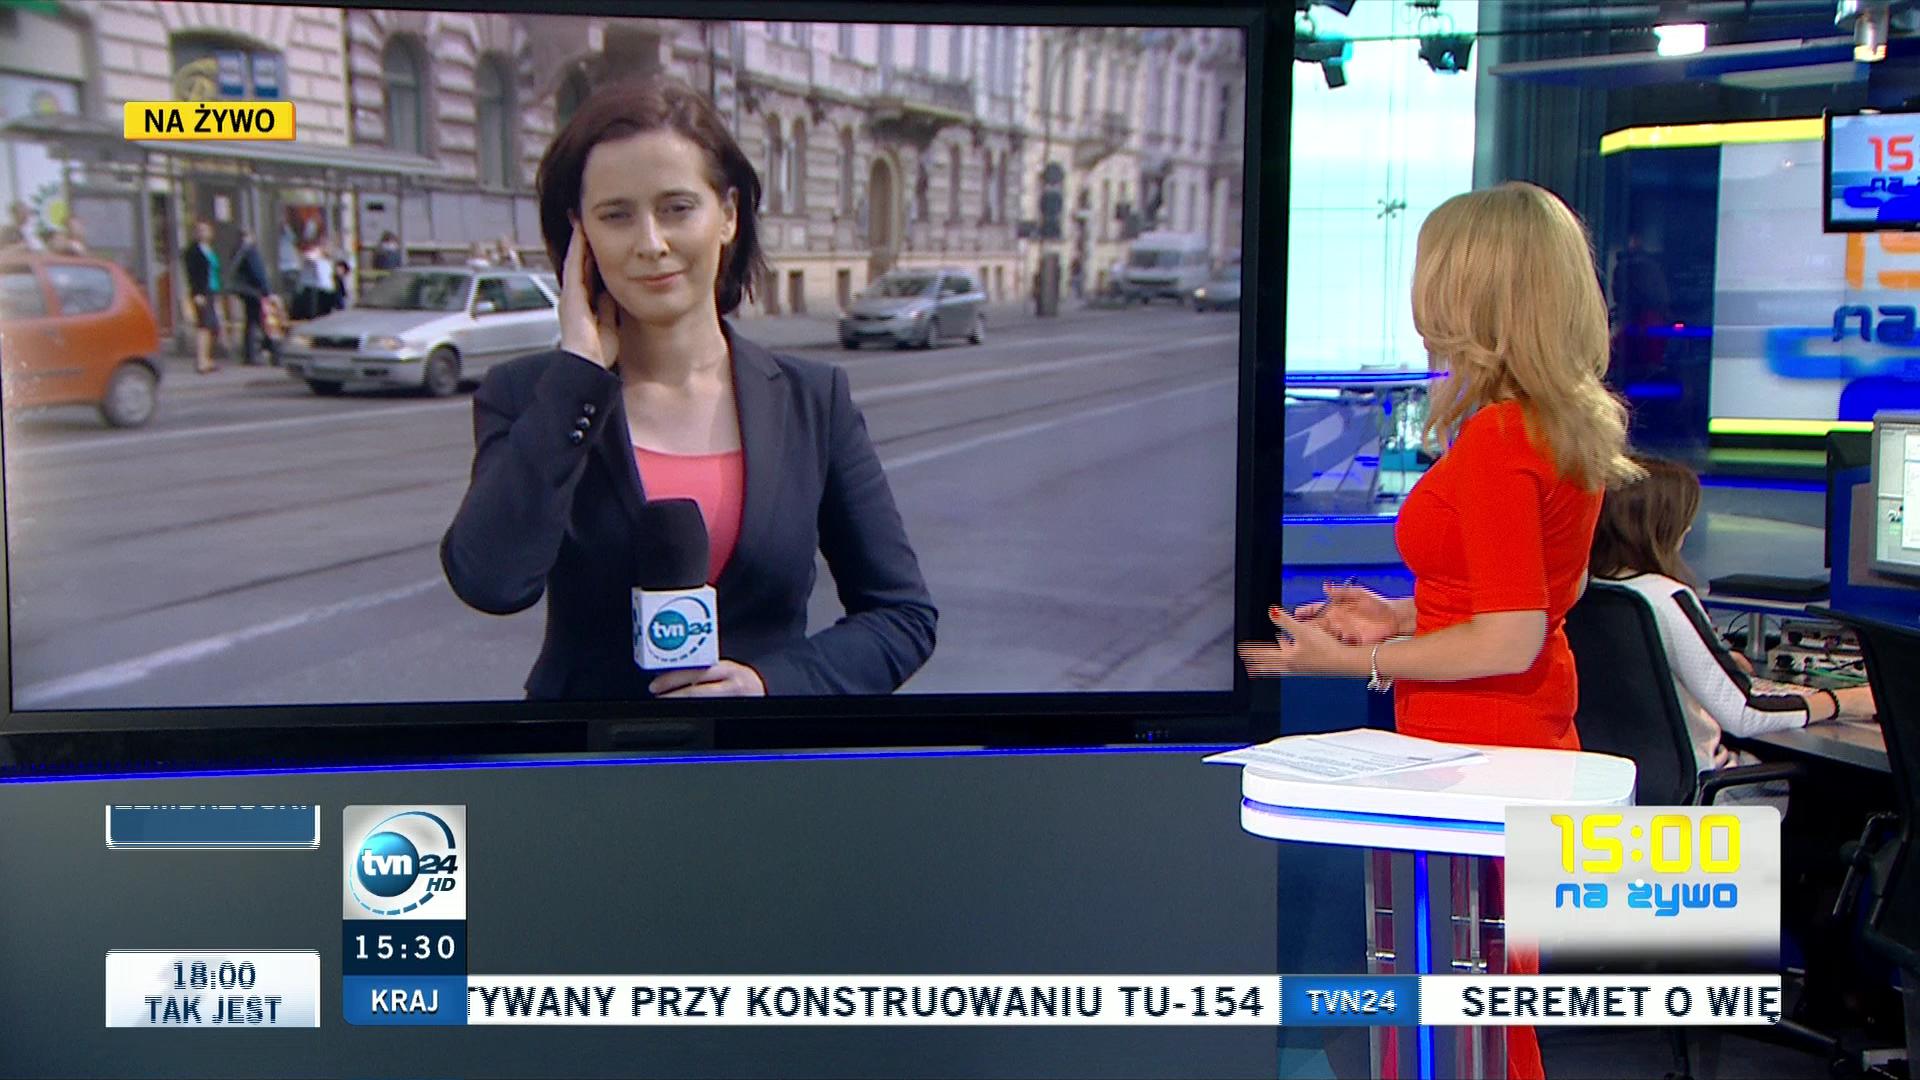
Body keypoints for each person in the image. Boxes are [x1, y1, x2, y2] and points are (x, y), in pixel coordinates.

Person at [1242, 183, 1641, 1080]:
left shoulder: (1500, 438)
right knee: (1483, 1004)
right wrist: (1397, 615)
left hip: (1479, 748)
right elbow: (1545, 593)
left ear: (1470, 289)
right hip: (1520, 736)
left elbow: (1509, 637)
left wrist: (1361, 660)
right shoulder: (1558, 426)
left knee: (1464, 1005)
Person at [440, 76, 937, 700]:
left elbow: (901, 616)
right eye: (616, 216)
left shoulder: (813, 400)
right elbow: (491, 581)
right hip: (586, 754)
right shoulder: (531, 395)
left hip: (755, 757)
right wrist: (579, 376)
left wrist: (767, 685)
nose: (650, 243)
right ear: (580, 235)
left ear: (727, 215)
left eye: (676, 208)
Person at [1590, 455, 1873, 803]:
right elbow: (1744, 713)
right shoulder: (1666, 596)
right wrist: (1843, 701)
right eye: (1683, 518)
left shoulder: (1589, 590)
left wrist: (1717, 669)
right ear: (1657, 525)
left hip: (1627, 793)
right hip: (1706, 796)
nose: (1688, 529)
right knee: (1841, 792)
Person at [230, 229, 278, 366]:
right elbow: (258, 273)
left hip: (245, 291)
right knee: (260, 321)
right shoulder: (250, 251)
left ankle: (251, 353)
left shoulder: (237, 251)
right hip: (254, 291)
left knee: (251, 321)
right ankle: (269, 351)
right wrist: (267, 292)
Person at [180, 221, 223, 374]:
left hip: (212, 289)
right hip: (202, 292)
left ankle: (208, 357)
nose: (203, 233)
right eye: (200, 230)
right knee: (203, 325)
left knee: (213, 326)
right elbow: (192, 273)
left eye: (206, 230)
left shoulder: (209, 249)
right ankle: (201, 360)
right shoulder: (193, 251)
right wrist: (197, 293)